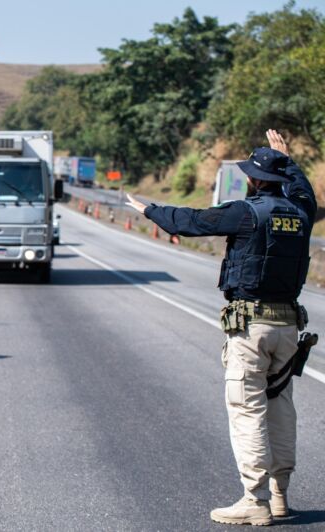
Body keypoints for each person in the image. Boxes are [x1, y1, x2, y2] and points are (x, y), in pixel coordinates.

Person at [126, 129, 315, 526]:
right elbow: (306, 193)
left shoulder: (246, 213)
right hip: (288, 329)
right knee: (281, 409)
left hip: (251, 328)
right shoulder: (300, 213)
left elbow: (192, 222)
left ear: (255, 180)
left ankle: (255, 499)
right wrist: (289, 161)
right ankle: (280, 496)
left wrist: (150, 211)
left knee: (248, 410)